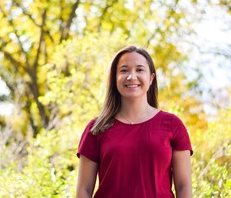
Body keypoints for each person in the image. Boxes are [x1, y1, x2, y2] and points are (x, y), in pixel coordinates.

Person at [76, 45, 193, 198]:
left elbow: (183, 187)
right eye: (124, 70)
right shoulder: (96, 128)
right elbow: (84, 190)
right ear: (114, 78)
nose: (132, 77)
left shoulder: (172, 125)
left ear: (151, 78)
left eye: (139, 70)